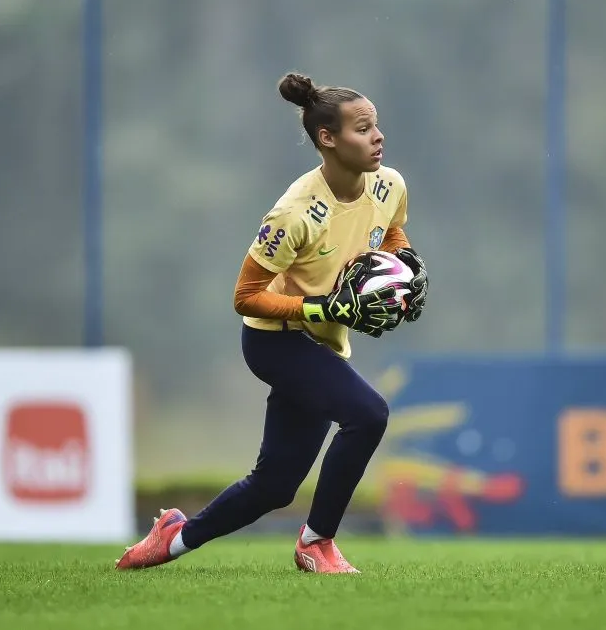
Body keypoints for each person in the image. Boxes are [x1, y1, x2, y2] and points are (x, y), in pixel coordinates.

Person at [116, 72, 428, 574]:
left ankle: (174, 537)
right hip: (275, 342)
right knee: (368, 414)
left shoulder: (390, 184)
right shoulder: (295, 213)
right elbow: (245, 297)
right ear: (327, 138)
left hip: (321, 341)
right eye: (363, 128)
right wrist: (318, 308)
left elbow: (390, 233)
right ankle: (316, 543)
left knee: (274, 486)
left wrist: (405, 269)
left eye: (376, 126)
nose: (378, 137)